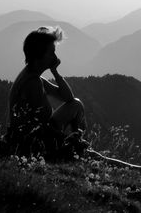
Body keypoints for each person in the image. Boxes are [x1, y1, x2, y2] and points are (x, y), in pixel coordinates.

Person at [6, 26, 87, 158]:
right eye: (51, 53)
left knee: (76, 104)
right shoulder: (33, 83)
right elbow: (43, 126)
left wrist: (55, 72)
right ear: (39, 55)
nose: (55, 57)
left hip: (31, 137)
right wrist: (68, 142)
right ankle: (77, 148)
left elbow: (67, 97)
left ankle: (77, 144)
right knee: (76, 106)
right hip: (30, 143)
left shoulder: (33, 76)